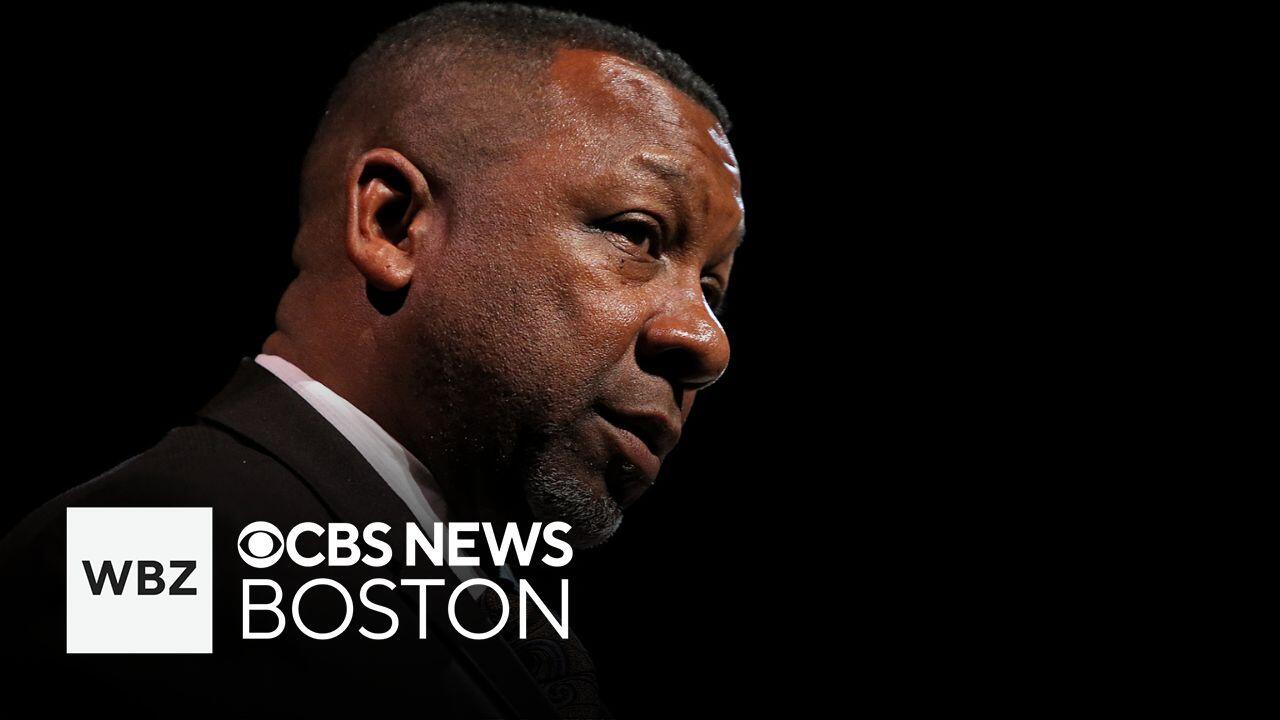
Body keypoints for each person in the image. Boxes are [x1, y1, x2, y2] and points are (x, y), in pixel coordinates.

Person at [0, 3, 743, 717]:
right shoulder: (147, 545)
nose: (709, 344)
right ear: (394, 223)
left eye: (712, 288)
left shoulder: (488, 596)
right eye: (638, 234)